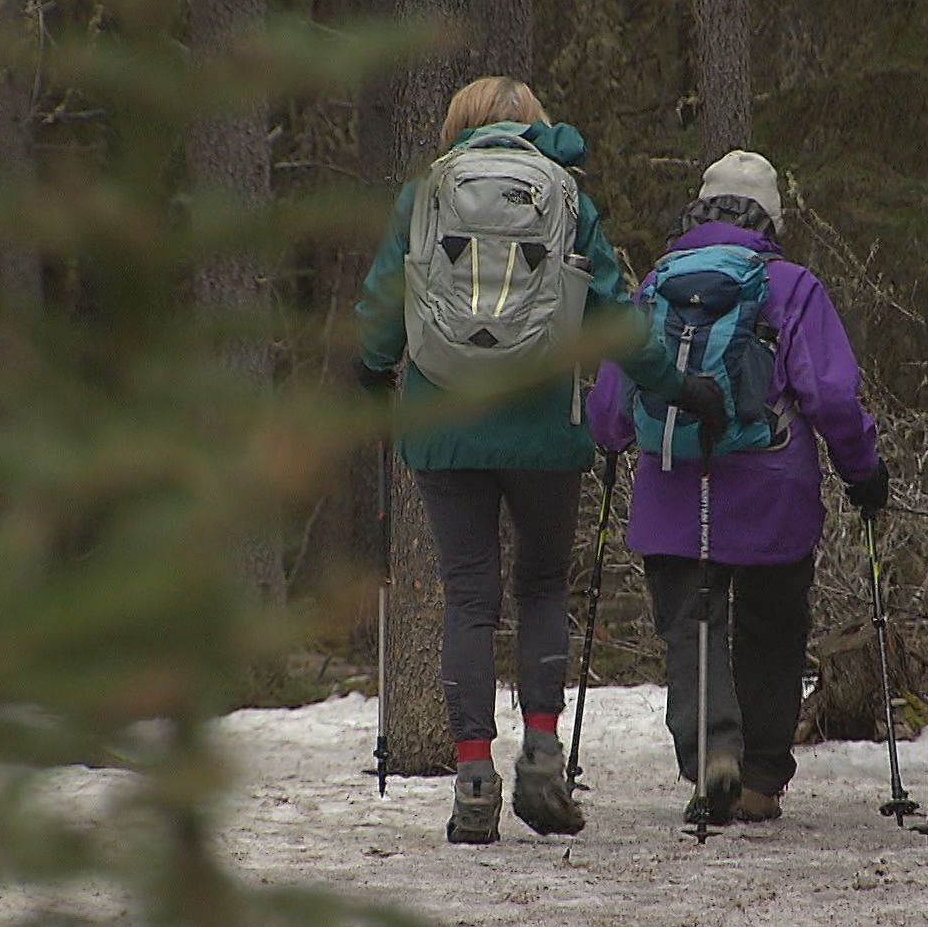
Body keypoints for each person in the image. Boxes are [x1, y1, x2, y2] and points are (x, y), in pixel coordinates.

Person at [355, 76, 723, 844]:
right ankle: (545, 757)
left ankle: (473, 780)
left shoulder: (424, 192)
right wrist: (679, 386)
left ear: (460, 123)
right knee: (542, 585)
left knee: (468, 595)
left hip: (444, 423)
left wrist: (367, 372)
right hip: (542, 427)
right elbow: (614, 316)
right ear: (533, 126)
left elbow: (387, 300)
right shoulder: (562, 194)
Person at [590, 151, 887, 825]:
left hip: (672, 484)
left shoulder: (656, 283)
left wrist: (606, 440)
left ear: (700, 208)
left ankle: (711, 753)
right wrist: (862, 469)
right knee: (771, 628)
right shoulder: (792, 284)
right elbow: (832, 395)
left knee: (692, 621)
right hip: (771, 487)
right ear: (771, 218)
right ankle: (756, 779)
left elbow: (613, 400)